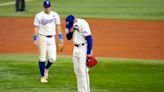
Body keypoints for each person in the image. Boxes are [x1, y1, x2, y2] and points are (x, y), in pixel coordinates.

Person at [33, 0, 63, 83]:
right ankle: (43, 77)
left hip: (52, 38)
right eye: (46, 7)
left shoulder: (55, 15)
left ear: (50, 6)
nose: (47, 8)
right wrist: (35, 38)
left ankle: (46, 68)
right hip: (42, 38)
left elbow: (58, 25)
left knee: (53, 58)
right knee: (42, 58)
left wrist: (60, 37)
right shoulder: (39, 15)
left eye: (48, 7)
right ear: (44, 7)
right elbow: (35, 27)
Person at [65, 15, 94, 92]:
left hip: (83, 48)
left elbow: (89, 38)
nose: (69, 26)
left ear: (75, 20)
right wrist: (71, 31)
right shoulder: (68, 24)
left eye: (71, 24)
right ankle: (80, 90)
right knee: (77, 71)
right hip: (75, 48)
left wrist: (88, 53)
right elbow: (68, 37)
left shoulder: (83, 23)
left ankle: (86, 90)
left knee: (83, 70)